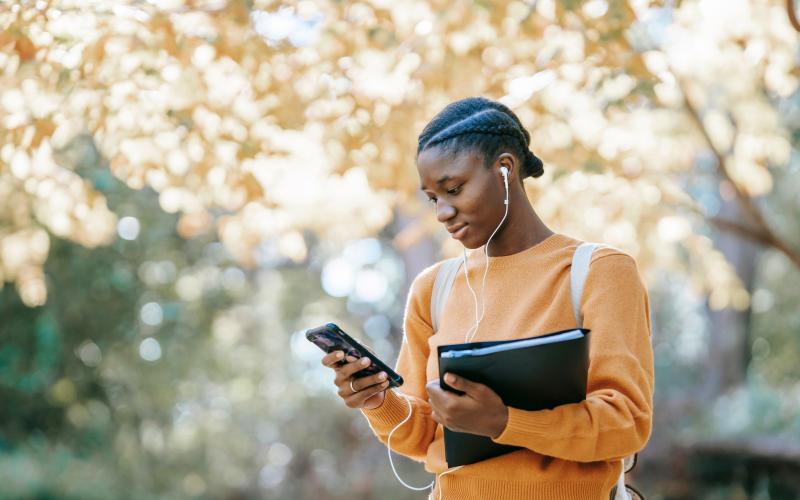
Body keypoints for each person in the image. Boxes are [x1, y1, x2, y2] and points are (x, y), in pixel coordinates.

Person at [320, 96, 654, 500]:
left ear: (505, 169)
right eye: (433, 198)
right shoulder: (434, 288)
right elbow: (421, 434)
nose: (442, 211)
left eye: (454, 188)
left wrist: (503, 421)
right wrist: (377, 400)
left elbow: (626, 423)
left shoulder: (598, 272)